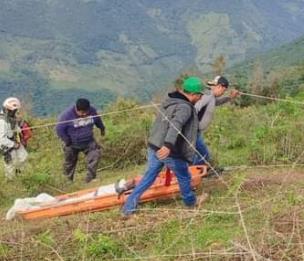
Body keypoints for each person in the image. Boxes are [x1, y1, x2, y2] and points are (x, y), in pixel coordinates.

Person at [122, 76, 207, 217]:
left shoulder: (170, 102)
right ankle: (191, 202)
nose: (200, 98)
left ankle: (128, 207)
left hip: (154, 145)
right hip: (167, 150)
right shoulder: (185, 107)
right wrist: (167, 145)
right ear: (193, 94)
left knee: (149, 176)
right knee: (184, 176)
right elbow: (175, 126)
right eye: (200, 95)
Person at [192, 75, 239, 166]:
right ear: (219, 87)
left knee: (199, 155)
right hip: (193, 132)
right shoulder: (208, 96)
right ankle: (191, 173)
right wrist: (191, 126)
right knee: (204, 155)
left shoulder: (211, 97)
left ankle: (192, 172)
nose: (223, 93)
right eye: (224, 90)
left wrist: (230, 97)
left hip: (196, 132)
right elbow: (195, 108)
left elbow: (217, 102)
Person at [56, 98, 105, 183]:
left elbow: (98, 120)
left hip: (88, 141)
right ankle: (67, 181)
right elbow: (59, 129)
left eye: (86, 112)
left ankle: (90, 178)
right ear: (76, 109)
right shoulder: (67, 115)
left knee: (95, 155)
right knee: (69, 163)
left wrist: (102, 128)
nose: (85, 114)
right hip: (72, 143)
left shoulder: (92, 111)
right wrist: (67, 140)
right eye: (82, 113)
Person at [0, 97, 28, 179]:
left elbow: (15, 127)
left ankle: (22, 176)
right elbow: (1, 139)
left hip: (14, 141)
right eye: (14, 111)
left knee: (24, 157)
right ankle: (11, 181)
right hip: (6, 145)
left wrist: (19, 131)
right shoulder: (2, 122)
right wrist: (13, 144)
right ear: (8, 110)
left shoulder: (10, 118)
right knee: (11, 163)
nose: (15, 113)